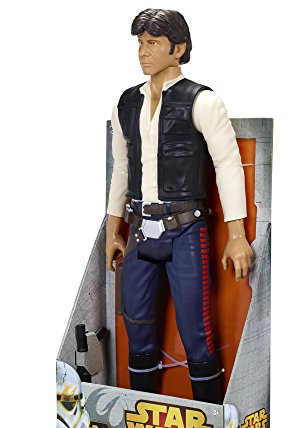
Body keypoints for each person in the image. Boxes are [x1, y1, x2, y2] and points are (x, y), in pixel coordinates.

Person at [105, 8, 253, 404]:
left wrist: (237, 235)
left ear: (178, 48)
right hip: (139, 231)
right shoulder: (126, 103)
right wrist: (113, 229)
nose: (144, 51)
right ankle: (141, 419)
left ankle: (208, 424)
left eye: (153, 43)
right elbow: (122, 168)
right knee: (137, 327)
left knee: (196, 332)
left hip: (185, 229)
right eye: (141, 43)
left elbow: (227, 165)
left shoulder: (202, 101)